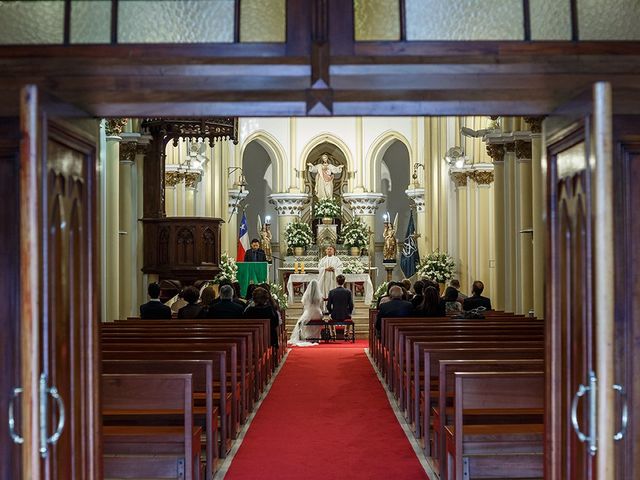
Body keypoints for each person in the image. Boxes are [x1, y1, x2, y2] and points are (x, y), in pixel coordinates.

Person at [288, 279, 324, 346]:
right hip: (317, 313)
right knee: (318, 320)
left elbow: (304, 303)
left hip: (309, 312)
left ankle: (308, 336)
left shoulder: (307, 295)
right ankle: (316, 337)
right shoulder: (319, 296)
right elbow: (321, 305)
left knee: (301, 321)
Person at [327, 274, 354, 339]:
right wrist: (349, 312)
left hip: (334, 315)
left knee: (329, 319)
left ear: (336, 281)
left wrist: (330, 312)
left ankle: (333, 334)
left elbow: (328, 305)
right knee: (349, 318)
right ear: (344, 282)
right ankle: (346, 334)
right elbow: (351, 305)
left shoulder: (332, 292)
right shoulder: (348, 292)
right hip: (345, 314)